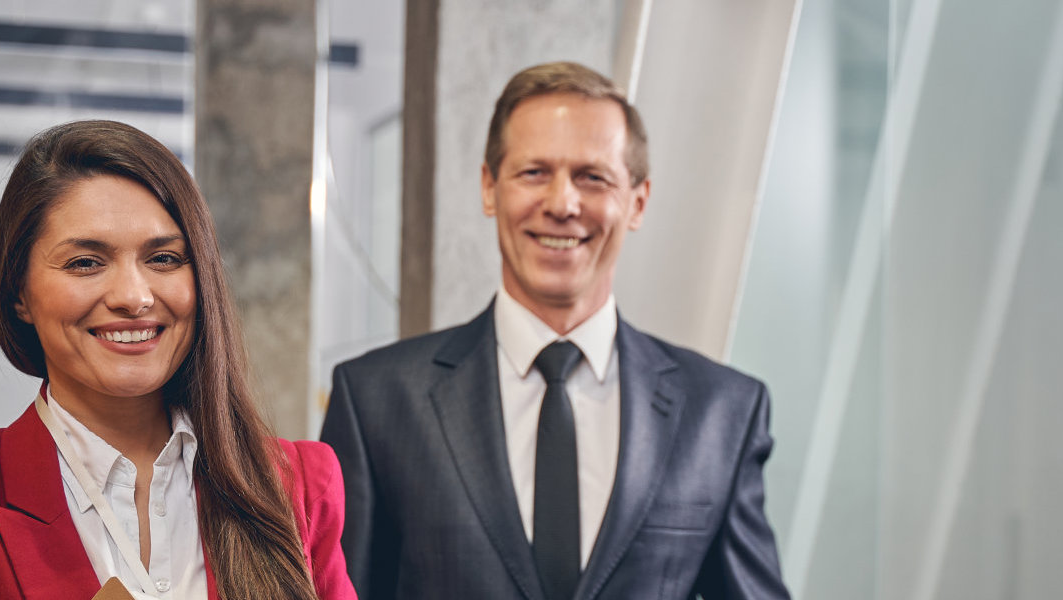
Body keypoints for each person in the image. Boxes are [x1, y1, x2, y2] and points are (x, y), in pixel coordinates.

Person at [320, 62, 789, 599]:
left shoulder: (722, 411)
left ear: (637, 201)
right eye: (534, 173)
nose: (563, 204)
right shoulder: (376, 400)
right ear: (489, 187)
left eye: (593, 177)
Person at [0, 120, 355, 600]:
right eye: (86, 262)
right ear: (19, 290)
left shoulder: (296, 484)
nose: (134, 296)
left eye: (164, 259)